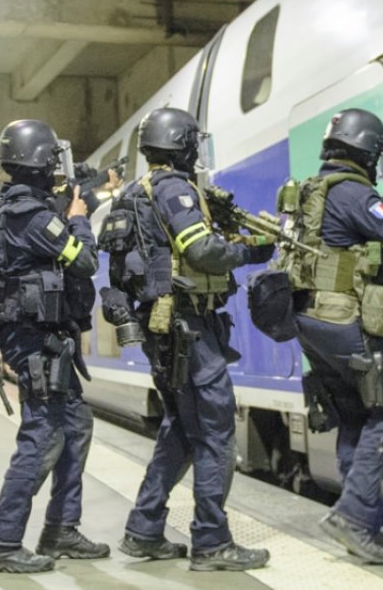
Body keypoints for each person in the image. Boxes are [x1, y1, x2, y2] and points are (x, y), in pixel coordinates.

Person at [103, 107, 273, 571]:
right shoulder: (175, 190)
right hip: (188, 328)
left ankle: (143, 531)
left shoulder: (132, 196)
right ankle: (213, 543)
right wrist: (248, 251)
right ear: (184, 144)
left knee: (179, 428)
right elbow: (200, 249)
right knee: (216, 431)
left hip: (162, 330)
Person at [288, 109, 383, 565]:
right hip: (344, 319)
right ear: (368, 151)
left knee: (355, 414)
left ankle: (361, 525)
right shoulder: (354, 192)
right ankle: (352, 512)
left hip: (310, 321)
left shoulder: (315, 188)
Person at [0, 120, 112, 574]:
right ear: (42, 164)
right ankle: (0, 542)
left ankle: (61, 530)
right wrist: (78, 218)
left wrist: (76, 204)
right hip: (33, 340)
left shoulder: (19, 209)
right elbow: (85, 261)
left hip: (44, 338)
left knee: (75, 424)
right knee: (44, 435)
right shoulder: (31, 218)